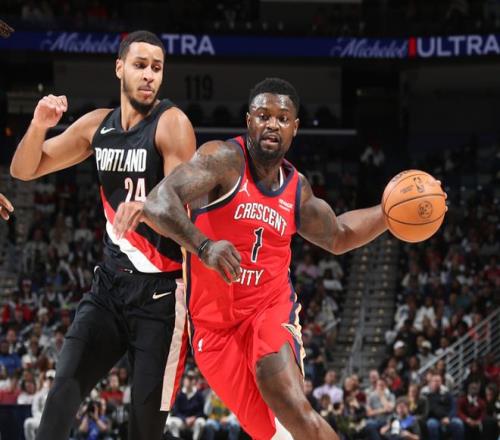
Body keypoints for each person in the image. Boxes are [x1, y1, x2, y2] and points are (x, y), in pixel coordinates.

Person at [113, 77, 407, 439]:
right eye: (263, 115)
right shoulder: (222, 160)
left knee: (290, 402)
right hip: (213, 327)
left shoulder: (296, 189)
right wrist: (204, 246)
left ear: (295, 128)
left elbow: (339, 235)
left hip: (268, 308)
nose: (272, 124)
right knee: (272, 435)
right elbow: (158, 202)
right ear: (248, 120)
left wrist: (389, 214)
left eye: (282, 118)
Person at [10, 30, 196, 440]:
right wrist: (39, 125)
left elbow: (183, 209)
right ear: (119, 68)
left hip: (162, 298)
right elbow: (23, 170)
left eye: (157, 68)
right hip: (108, 289)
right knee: (59, 401)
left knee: (144, 430)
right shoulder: (98, 125)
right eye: (140, 65)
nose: (149, 75)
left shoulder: (172, 124)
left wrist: (149, 207)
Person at [165, 371, 206, 440]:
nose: (189, 380)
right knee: (171, 422)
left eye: (191, 378)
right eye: (187, 377)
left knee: (201, 422)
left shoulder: (199, 395)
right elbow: (175, 411)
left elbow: (201, 411)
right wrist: (184, 419)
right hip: (182, 420)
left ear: (195, 381)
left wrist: (194, 418)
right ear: (184, 380)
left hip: (194, 421)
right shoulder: (179, 394)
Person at [426, 374, 464, 440]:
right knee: (431, 424)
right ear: (431, 382)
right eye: (434, 381)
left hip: (448, 418)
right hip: (435, 418)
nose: (436, 383)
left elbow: (454, 408)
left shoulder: (448, 394)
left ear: (441, 382)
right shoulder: (428, 396)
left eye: (438, 381)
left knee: (458, 423)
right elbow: (433, 409)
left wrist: (449, 418)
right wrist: (442, 418)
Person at [24, 370, 55, 440]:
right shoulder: (40, 393)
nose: (50, 381)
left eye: (52, 380)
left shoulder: (61, 394)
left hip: (55, 421)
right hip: (40, 419)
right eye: (49, 379)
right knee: (28, 423)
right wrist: (42, 418)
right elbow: (35, 409)